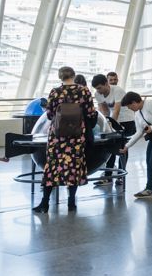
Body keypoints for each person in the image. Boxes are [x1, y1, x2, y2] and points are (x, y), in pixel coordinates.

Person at [34, 66, 98, 213]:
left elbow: (50, 114)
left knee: (52, 167)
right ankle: (71, 203)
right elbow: (90, 112)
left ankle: (45, 203)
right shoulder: (84, 91)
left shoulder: (55, 92)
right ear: (74, 76)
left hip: (57, 136)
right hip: (76, 135)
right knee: (73, 166)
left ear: (60, 77)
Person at [92, 73, 134, 185]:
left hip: (127, 121)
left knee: (122, 147)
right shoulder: (97, 94)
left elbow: (116, 110)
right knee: (110, 147)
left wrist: (110, 124)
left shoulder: (117, 90)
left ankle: (121, 176)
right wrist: (105, 124)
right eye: (97, 89)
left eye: (100, 88)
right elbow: (104, 111)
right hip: (114, 121)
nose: (99, 91)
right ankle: (108, 176)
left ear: (106, 83)